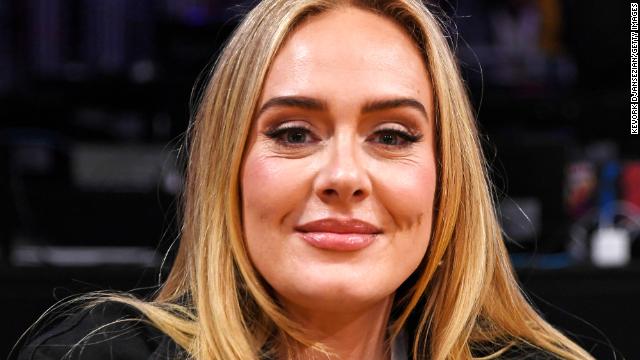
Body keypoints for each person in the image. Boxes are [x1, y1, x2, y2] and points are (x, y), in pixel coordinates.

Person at [17, 0, 594, 359]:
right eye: (293, 134)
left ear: (448, 179)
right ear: (227, 166)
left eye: (392, 136)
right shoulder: (95, 353)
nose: (344, 177)